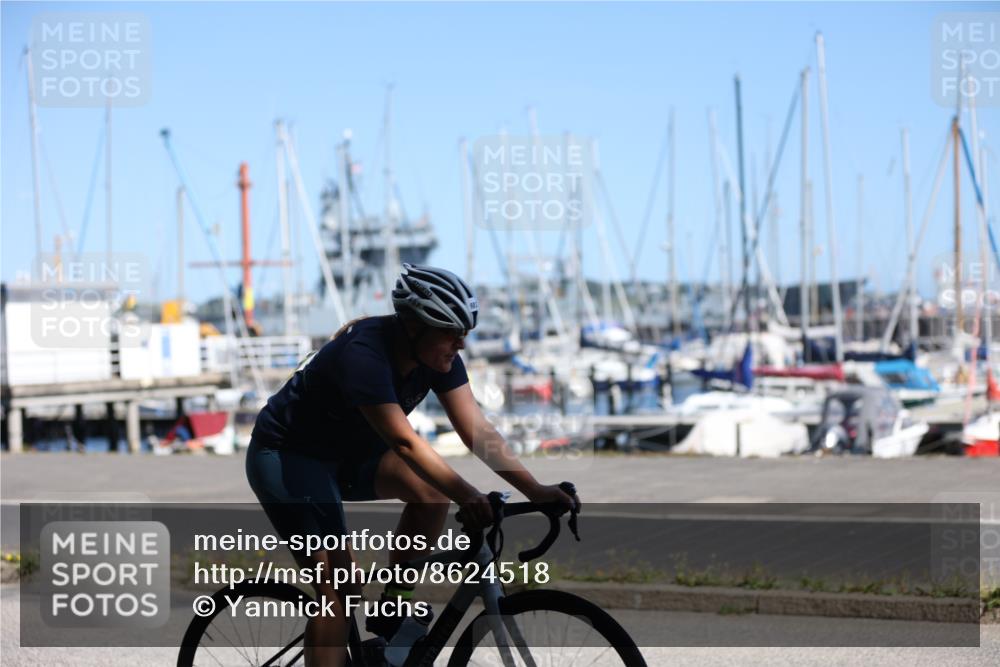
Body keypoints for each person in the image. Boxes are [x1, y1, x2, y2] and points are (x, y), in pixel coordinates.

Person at [246, 263, 580, 666]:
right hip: (289, 457)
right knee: (339, 589)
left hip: (348, 458)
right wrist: (470, 496)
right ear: (414, 326)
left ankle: (393, 607)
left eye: (464, 333)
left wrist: (536, 490)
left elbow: (477, 430)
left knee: (432, 494)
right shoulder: (364, 355)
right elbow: (405, 443)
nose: (461, 344)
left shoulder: (435, 357)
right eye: (451, 332)